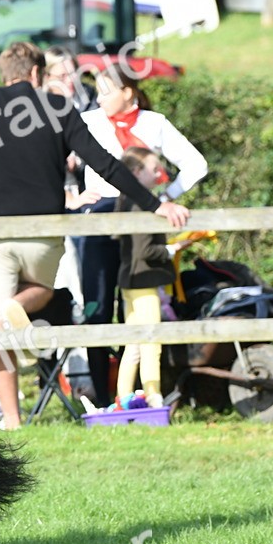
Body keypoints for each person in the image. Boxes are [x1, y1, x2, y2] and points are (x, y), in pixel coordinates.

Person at [0, 42, 190, 431]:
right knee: (41, 291)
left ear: (6, 73)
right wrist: (154, 204)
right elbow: (107, 165)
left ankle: (12, 418)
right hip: (43, 233)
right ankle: (18, 307)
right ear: (36, 75)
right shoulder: (58, 108)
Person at [76, 63, 208, 405]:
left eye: (106, 90)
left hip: (140, 219)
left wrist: (165, 198)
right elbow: (55, 159)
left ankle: (137, 392)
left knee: (136, 307)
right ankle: (104, 396)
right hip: (99, 217)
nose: (99, 98)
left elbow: (196, 164)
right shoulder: (88, 121)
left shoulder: (154, 124)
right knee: (98, 306)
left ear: (128, 93)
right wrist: (69, 195)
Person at [115, 147, 182, 409]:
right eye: (154, 169)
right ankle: (154, 398)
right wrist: (173, 249)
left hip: (130, 281)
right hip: (143, 281)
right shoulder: (140, 204)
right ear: (135, 172)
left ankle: (124, 396)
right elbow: (145, 250)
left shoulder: (125, 200)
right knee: (150, 341)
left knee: (133, 343)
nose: (159, 174)